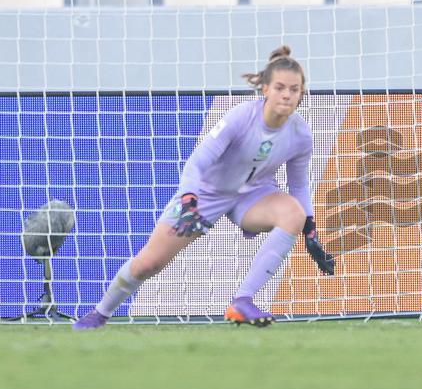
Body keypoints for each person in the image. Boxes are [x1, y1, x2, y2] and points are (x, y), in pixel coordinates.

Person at [74, 46, 336, 330]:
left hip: (254, 196)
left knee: (293, 214)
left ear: (302, 93)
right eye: (280, 87)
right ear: (265, 89)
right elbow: (197, 162)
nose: (287, 95)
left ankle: (243, 301)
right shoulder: (239, 117)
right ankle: (99, 314)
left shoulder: (301, 134)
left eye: (294, 89)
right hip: (205, 194)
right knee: (148, 264)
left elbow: (298, 184)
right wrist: (189, 197)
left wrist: (310, 227)